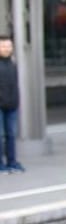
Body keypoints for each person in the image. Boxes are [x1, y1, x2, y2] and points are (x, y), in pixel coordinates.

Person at [0, 38, 20, 173]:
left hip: (12, 105)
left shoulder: (13, 64)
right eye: (3, 46)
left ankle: (12, 162)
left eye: (9, 46)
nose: (7, 49)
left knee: (11, 134)